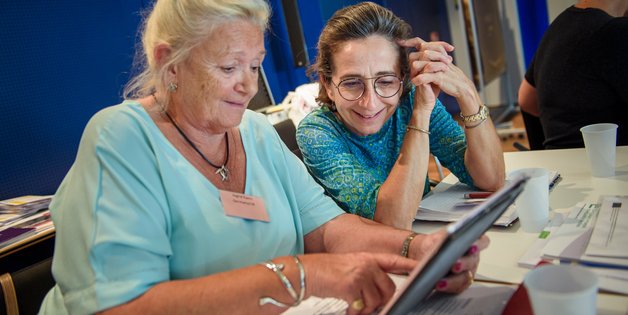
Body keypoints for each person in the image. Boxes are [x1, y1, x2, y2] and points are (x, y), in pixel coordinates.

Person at [39, 1, 489, 314]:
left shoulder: (253, 131)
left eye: (254, 66)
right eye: (229, 67)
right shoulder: (120, 138)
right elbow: (118, 307)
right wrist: (303, 276)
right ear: (169, 63)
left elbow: (328, 231)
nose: (249, 86)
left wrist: (419, 249)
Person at [296, 2, 505, 229]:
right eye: (352, 83)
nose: (370, 103)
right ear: (327, 84)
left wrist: (468, 94)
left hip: (422, 240)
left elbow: (490, 179)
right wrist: (420, 115)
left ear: (403, 78)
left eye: (385, 81)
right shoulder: (317, 132)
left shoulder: (410, 101)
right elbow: (392, 220)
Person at [518, 0, 628, 149]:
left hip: (559, 163)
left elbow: (526, 99)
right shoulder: (616, 32)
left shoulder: (560, 25)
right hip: (605, 165)